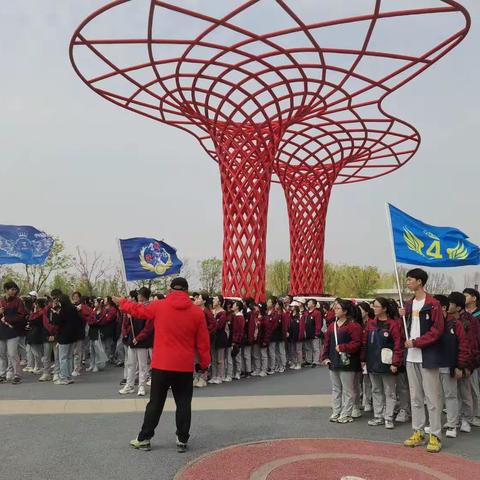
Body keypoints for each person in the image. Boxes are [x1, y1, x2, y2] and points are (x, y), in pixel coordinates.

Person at [115, 277, 210, 453]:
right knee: (183, 403)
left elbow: (138, 310)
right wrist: (204, 364)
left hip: (161, 364)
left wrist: (123, 302)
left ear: (170, 289)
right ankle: (182, 438)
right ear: (187, 290)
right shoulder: (197, 313)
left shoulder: (159, 306)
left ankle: (144, 438)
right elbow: (203, 342)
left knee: (155, 403)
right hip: (183, 365)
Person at [401, 268, 444, 453]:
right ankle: (418, 431)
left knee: (432, 398)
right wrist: (402, 314)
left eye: (410, 280)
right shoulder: (408, 305)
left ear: (420, 281)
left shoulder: (433, 304)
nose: (408, 283)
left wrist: (417, 342)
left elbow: (437, 331)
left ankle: (435, 435)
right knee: (415, 397)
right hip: (411, 358)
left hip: (427, 357)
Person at [361, 297, 403, 429]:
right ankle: (378, 416)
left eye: (377, 306)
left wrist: (395, 363)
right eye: (373, 306)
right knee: (376, 389)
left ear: (384, 308)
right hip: (373, 362)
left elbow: (398, 345)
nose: (374, 308)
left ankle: (389, 417)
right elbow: (364, 343)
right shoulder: (371, 324)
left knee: (389, 391)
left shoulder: (393, 324)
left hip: (388, 363)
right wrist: (363, 360)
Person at [433, 293, 470, 438]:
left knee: (451, 396)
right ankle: (436, 424)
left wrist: (460, 366)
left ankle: (452, 425)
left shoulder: (455, 323)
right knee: (435, 397)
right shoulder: (431, 324)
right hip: (433, 366)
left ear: (442, 307)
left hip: (449, 366)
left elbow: (463, 345)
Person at [321, 299, 362, 423]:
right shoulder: (332, 326)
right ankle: (336, 411)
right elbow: (326, 343)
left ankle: (346, 413)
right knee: (336, 388)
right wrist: (324, 357)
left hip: (348, 362)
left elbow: (357, 344)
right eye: (335, 308)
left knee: (348, 390)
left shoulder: (354, 326)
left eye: (338, 308)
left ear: (345, 311)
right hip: (334, 361)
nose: (335, 310)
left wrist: (344, 347)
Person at [119, 287, 154, 397]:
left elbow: (148, 328)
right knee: (131, 364)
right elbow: (127, 325)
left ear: (143, 295)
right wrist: (129, 316)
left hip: (142, 341)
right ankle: (129, 385)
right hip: (132, 340)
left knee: (142, 365)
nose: (137, 295)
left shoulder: (149, 307)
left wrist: (138, 338)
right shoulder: (134, 307)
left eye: (139, 294)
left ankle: (141, 386)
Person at [50, 293, 84, 385]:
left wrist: (54, 312)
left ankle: (64, 377)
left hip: (64, 336)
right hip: (73, 336)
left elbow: (57, 322)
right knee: (69, 357)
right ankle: (69, 377)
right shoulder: (73, 308)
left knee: (63, 358)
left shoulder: (63, 310)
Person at [0, 281, 27, 384]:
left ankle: (17, 375)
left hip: (13, 331)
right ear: (6, 290)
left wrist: (8, 318)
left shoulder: (18, 301)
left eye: (15, 289)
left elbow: (21, 316)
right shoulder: (1, 301)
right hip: (1, 330)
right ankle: (2, 374)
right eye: (12, 289)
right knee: (2, 354)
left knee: (12, 354)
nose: (14, 291)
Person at [463, 288, 480, 427]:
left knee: (474, 386)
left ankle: (476, 414)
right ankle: (465, 413)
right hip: (464, 353)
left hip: (476, 354)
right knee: (464, 387)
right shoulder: (462, 315)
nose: (464, 298)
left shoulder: (478, 315)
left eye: (466, 295)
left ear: (474, 298)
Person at [209, 295, 227, 384]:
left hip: (220, 337)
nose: (213, 301)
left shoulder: (223, 313)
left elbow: (219, 325)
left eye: (215, 300)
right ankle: (214, 375)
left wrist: (213, 323)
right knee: (213, 358)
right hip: (213, 337)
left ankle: (220, 376)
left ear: (219, 302)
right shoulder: (211, 312)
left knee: (220, 359)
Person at [304, 299, 322, 368]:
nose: (308, 303)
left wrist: (317, 333)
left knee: (315, 348)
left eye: (310, 302)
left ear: (314, 304)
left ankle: (316, 361)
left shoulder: (317, 313)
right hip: (307, 333)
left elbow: (318, 324)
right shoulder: (306, 313)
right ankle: (308, 361)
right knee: (308, 348)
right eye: (308, 302)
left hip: (314, 333)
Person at [231, 300, 246, 380]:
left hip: (237, 340)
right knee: (234, 356)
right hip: (234, 339)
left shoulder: (239, 317)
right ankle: (235, 372)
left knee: (237, 357)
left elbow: (240, 330)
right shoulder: (235, 315)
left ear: (237, 307)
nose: (232, 306)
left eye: (234, 305)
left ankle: (238, 372)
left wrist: (236, 340)